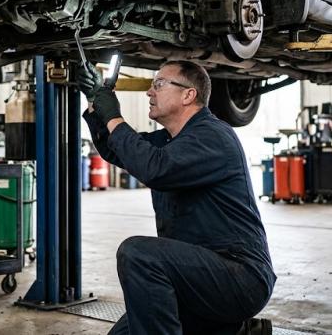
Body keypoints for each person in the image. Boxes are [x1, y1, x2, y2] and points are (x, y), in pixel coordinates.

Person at [78, 60, 275, 335]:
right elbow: (117, 150)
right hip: (193, 276)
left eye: (158, 84)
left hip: (239, 277)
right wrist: (95, 101)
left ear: (188, 95)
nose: (150, 92)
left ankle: (229, 323)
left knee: (138, 254)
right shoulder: (170, 140)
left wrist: (115, 117)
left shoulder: (213, 136)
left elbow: (155, 169)